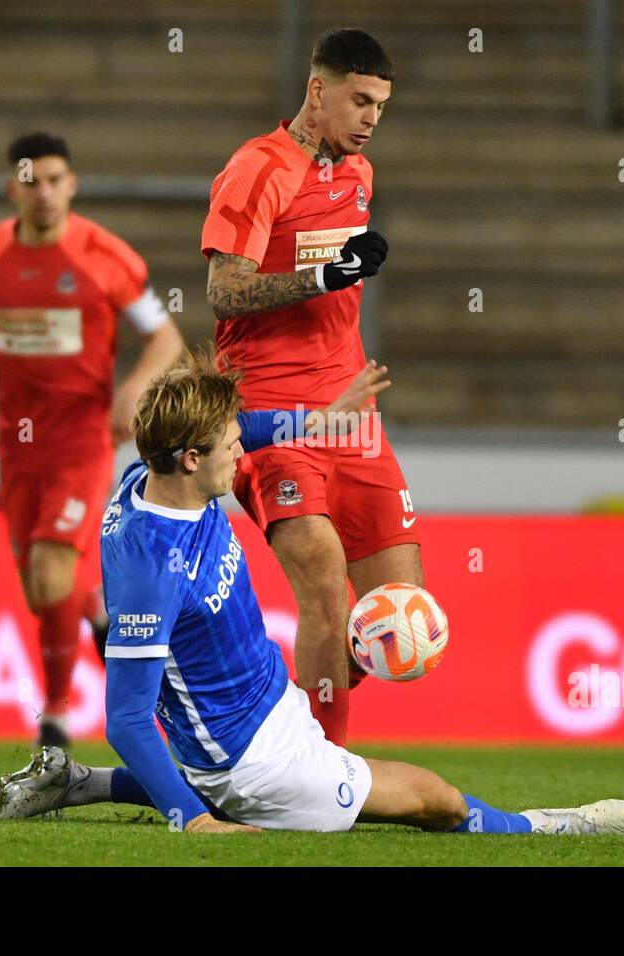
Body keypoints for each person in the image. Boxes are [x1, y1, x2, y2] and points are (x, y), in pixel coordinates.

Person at [0, 349, 624, 836]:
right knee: (431, 799)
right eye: (229, 446)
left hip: (264, 707)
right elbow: (125, 718)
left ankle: (78, 783)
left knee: (215, 776)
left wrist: (315, 422)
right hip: (253, 760)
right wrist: (191, 823)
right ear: (190, 460)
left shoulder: (146, 475)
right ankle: (546, 827)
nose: (243, 453)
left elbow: (249, 429)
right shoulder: (153, 566)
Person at [201, 28, 420, 745]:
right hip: (271, 415)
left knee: (401, 618)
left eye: (381, 106)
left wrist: (341, 270)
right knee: (325, 593)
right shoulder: (258, 168)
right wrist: (328, 273)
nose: (371, 118)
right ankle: (323, 772)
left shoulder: (360, 176)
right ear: (317, 90)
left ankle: (278, 724)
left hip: (352, 414)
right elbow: (224, 292)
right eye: (360, 100)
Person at [0, 132, 184, 747]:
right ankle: (101, 612)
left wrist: (135, 388)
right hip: (16, 444)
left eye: (55, 180)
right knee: (40, 589)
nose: (44, 193)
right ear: (12, 190)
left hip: (82, 439)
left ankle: (54, 718)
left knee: (52, 577)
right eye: (31, 181)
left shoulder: (105, 256)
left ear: (71, 186)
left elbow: (165, 339)